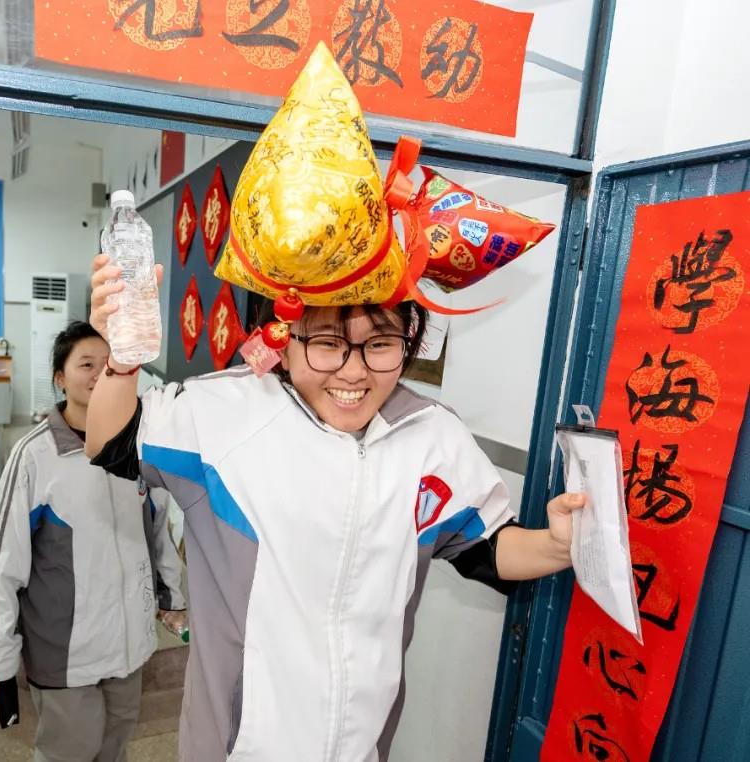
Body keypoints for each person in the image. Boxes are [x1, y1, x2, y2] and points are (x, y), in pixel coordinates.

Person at [83, 44, 585, 762]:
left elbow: (484, 548)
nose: (353, 373)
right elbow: (112, 443)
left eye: (380, 345)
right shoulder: (225, 416)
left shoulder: (431, 435)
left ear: (410, 341)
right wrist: (122, 361)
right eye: (325, 344)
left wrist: (559, 545)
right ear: (282, 338)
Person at [0, 321, 186, 762]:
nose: (99, 373)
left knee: (114, 748)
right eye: (86, 364)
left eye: (109, 364)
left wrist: (172, 597)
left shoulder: (140, 447)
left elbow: (158, 530)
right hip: (65, 652)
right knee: (70, 751)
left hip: (129, 643)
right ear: (59, 377)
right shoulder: (35, 456)